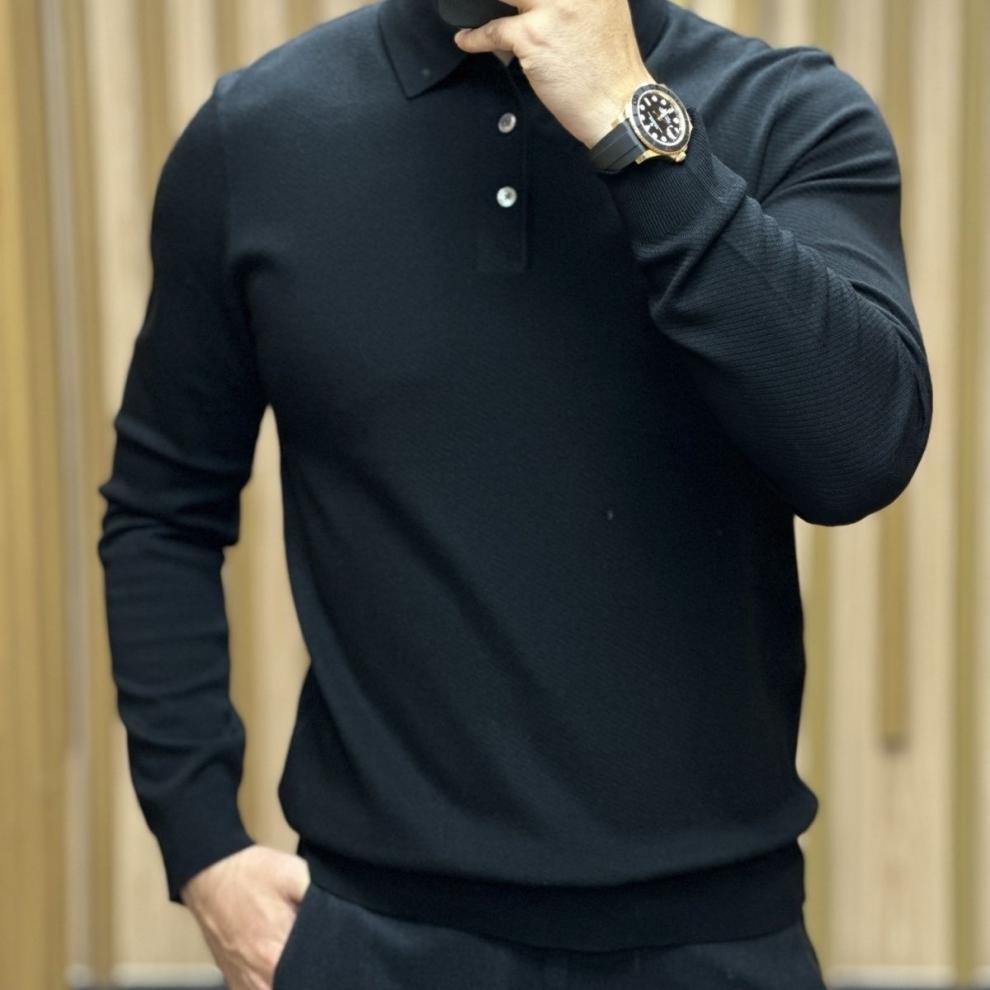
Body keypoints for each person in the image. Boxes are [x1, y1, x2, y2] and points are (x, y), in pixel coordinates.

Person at [96, 0, 932, 986]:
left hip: (717, 938)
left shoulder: (789, 113)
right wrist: (202, 846)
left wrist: (631, 121)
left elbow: (858, 451)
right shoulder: (260, 134)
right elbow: (161, 510)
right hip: (378, 938)